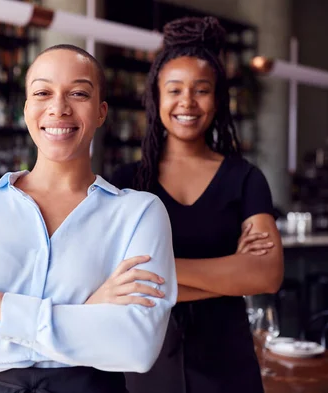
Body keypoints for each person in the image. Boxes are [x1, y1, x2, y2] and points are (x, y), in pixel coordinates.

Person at [0, 44, 177, 393]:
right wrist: (85, 312)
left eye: (78, 93)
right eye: (42, 92)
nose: (58, 108)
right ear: (27, 109)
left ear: (101, 112)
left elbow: (135, 347)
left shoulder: (139, 214)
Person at [110, 17, 284, 393]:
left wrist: (157, 270)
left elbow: (267, 274)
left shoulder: (245, 178)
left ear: (218, 99)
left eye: (201, 90)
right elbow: (106, 276)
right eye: (174, 90)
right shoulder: (125, 182)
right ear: (155, 98)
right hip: (144, 363)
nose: (187, 101)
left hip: (228, 363)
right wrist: (230, 277)